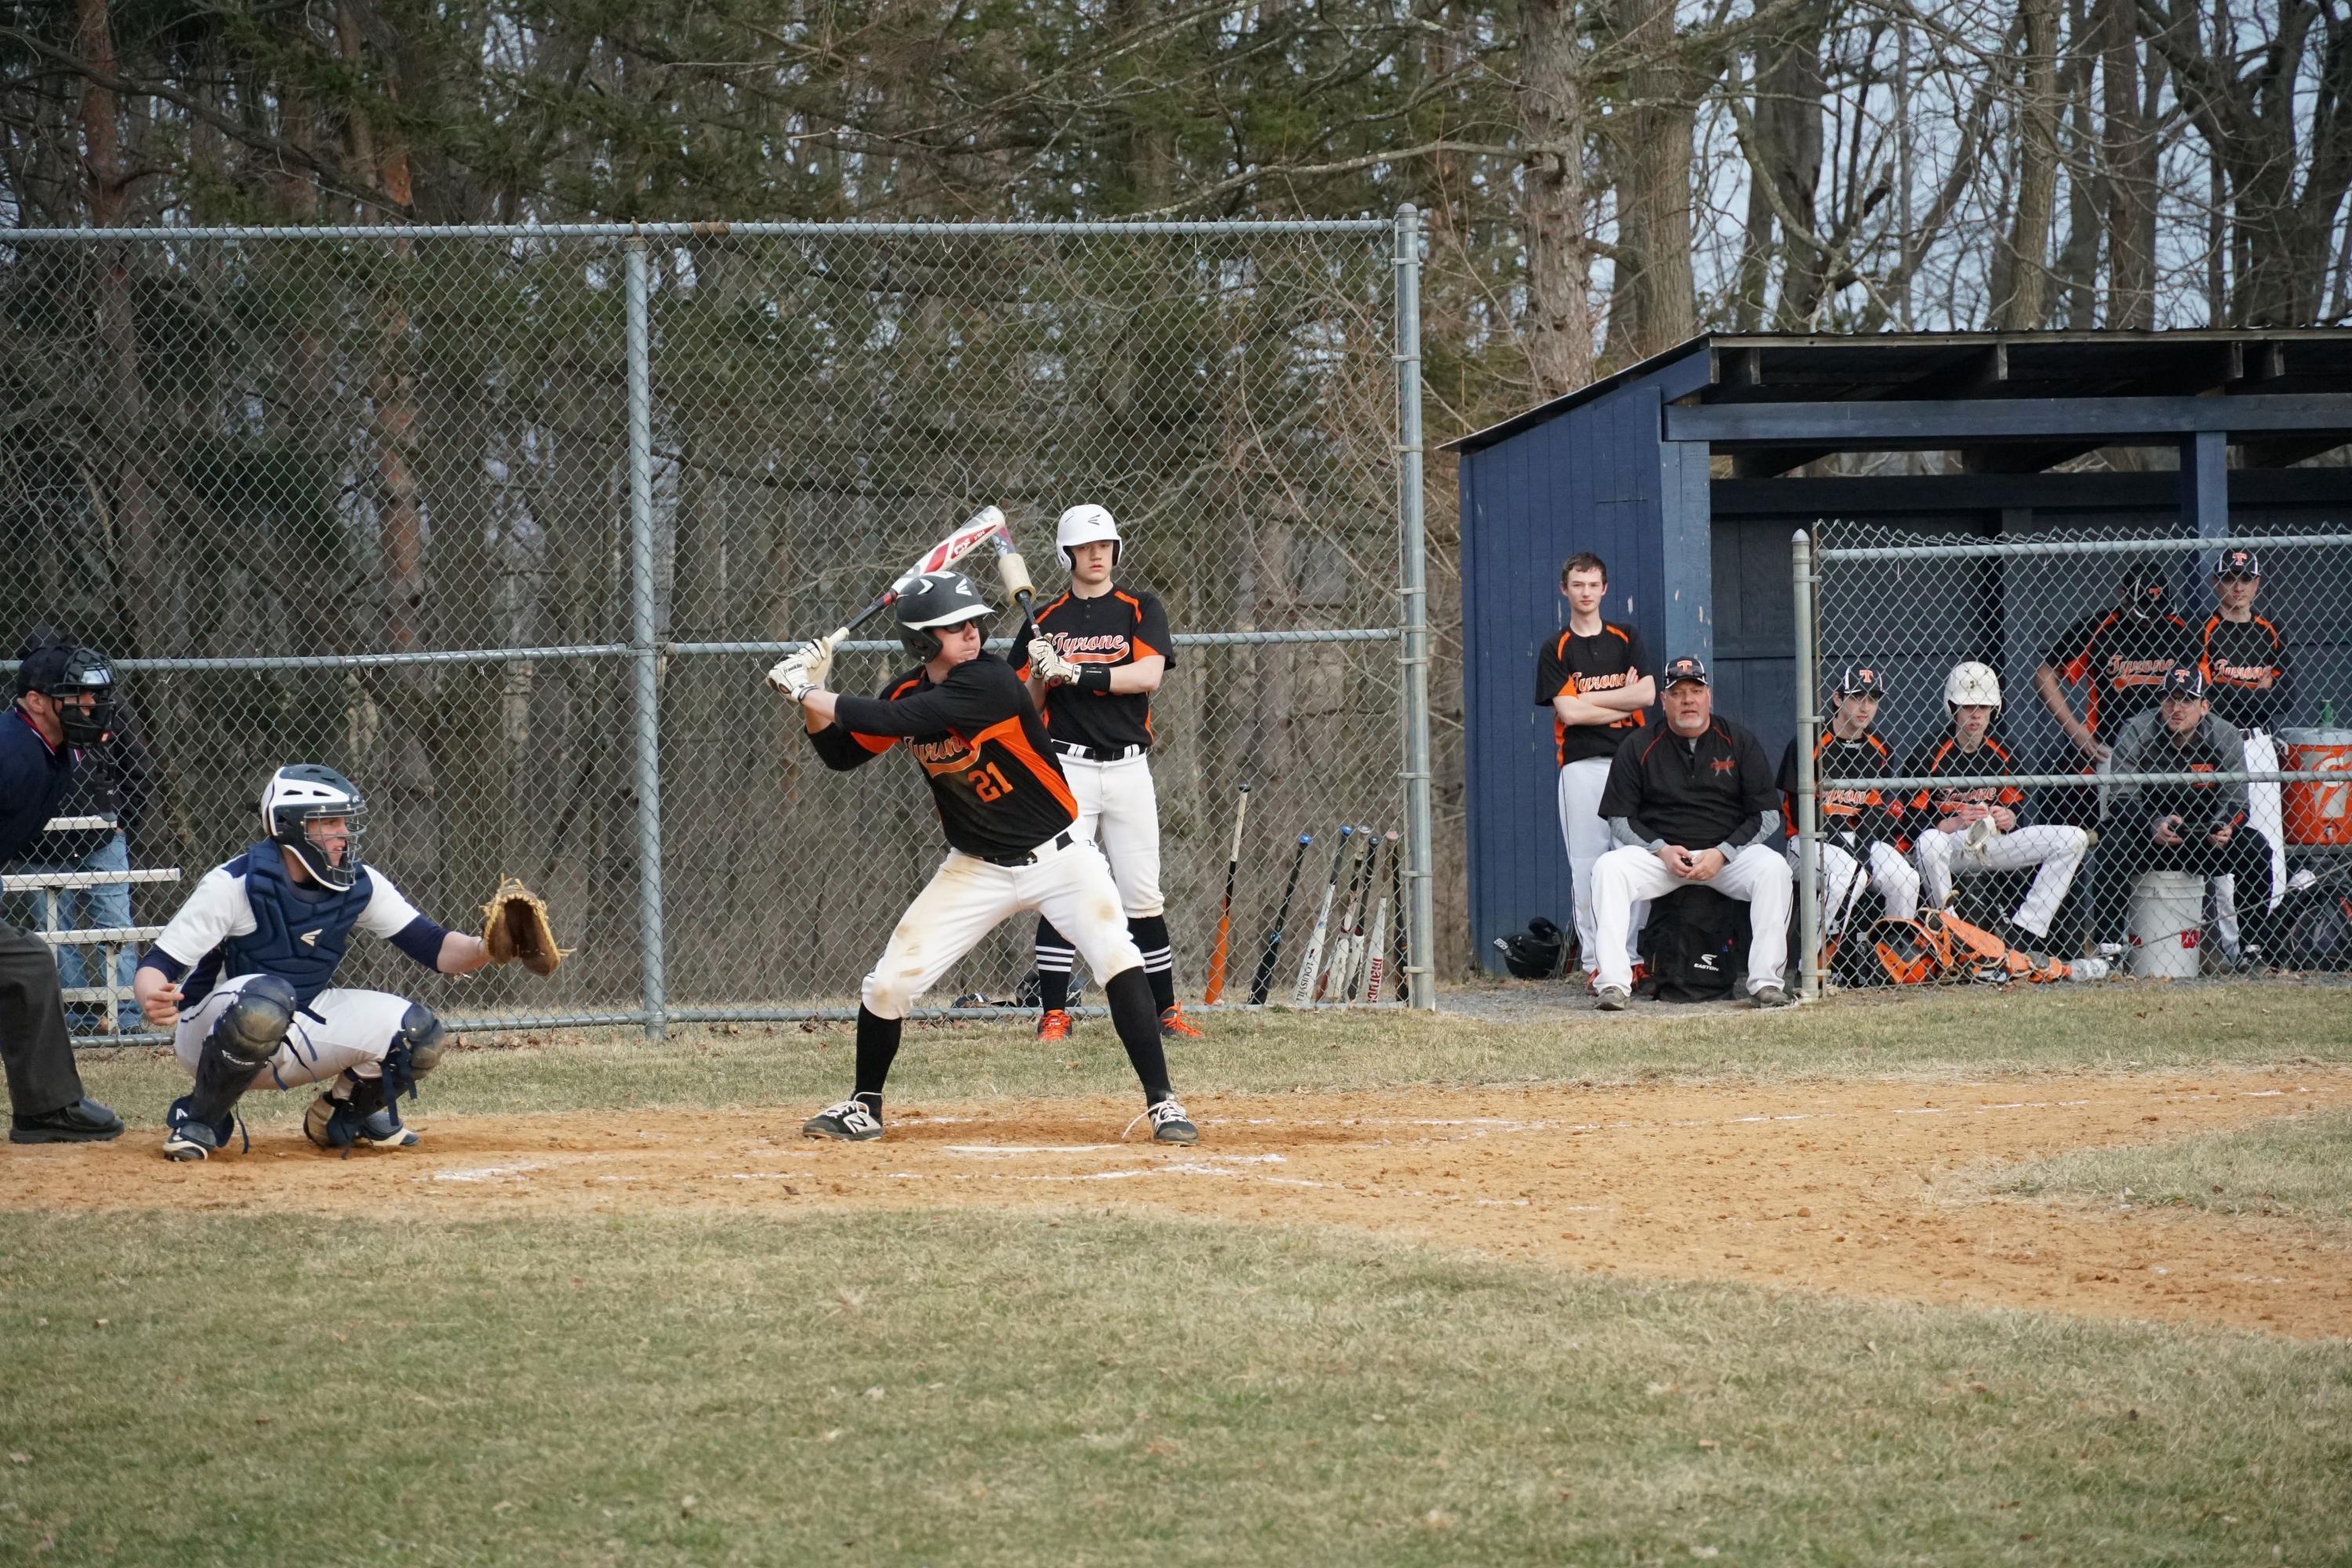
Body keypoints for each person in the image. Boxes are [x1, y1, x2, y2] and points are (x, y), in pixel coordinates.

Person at [767, 568, 1196, 1145]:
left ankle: (1163, 1103)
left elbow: (898, 721)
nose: (972, 633)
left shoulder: (991, 681)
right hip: (976, 867)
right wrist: (814, 700)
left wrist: (804, 689)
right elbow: (842, 753)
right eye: (953, 627)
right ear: (922, 643)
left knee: (1118, 958)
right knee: (889, 985)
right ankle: (864, 1106)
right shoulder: (907, 690)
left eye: (973, 623)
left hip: (1062, 856)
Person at [130, 764, 496, 1161]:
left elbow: (435, 947)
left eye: (346, 822)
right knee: (267, 1000)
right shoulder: (234, 884)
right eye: (330, 822)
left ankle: (341, 1117)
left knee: (417, 1034)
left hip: (295, 1018)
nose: (344, 833)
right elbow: (158, 962)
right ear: (289, 824)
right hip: (210, 1032)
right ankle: (198, 1118)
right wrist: (151, 993)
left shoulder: (359, 883)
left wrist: (489, 946)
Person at [1016, 503, 1200, 1042]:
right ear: (1067, 554)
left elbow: (1147, 676)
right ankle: (1055, 1013)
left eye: (1105, 546)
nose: (1096, 555)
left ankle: (1165, 1011)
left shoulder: (1140, 607)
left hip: (1128, 769)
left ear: (1116, 550)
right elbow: (1024, 707)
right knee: (1061, 889)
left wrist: (1076, 670)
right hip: (1067, 767)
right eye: (1085, 547)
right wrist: (1041, 674)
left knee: (1143, 895)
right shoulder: (1045, 621)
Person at [1588, 655, 1791, 1011]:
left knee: (1774, 869)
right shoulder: (1638, 745)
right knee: (1609, 868)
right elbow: (1619, 818)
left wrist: (1724, 852)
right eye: (1678, 693)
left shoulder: (1738, 741)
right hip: (1664, 859)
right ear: (1664, 701)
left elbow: (1767, 815)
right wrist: (1660, 849)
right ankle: (1614, 985)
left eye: (1695, 691)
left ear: (1708, 696)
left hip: (1724, 858)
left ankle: (1766, 983)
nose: (1688, 700)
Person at [0, 643, 126, 1142]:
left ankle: (45, 1108)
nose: (92, 707)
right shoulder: (11, 750)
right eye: (79, 696)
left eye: (96, 696)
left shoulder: (50, 753)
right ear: (36, 701)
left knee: (27, 963)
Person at [10, 627, 153, 1033]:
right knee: (54, 933)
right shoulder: (20, 718)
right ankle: (76, 1017)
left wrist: (124, 823)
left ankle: (124, 1017)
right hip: (38, 842)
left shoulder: (103, 708)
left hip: (99, 834)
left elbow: (137, 768)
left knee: (114, 925)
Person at [2092, 665, 2282, 964]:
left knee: (2255, 848)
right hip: (2151, 837)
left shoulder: (2226, 734)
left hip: (2205, 839)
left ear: (2204, 706)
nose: (2176, 708)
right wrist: (2152, 825)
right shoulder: (2136, 729)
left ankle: (2252, 949)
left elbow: (2237, 801)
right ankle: (2109, 950)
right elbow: (2120, 797)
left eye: (2187, 700)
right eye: (2169, 699)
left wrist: (2224, 827)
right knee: (2112, 845)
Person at [1908, 662, 2090, 963]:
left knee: (2073, 837)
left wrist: (2009, 817)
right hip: (1949, 847)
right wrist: (1952, 822)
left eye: (1983, 706)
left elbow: (2015, 807)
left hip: (1991, 845)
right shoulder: (1929, 752)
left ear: (1994, 709)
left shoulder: (2004, 750)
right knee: (1929, 841)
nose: (1976, 715)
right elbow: (1912, 823)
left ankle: (2025, 930)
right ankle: (1950, 928)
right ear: (1952, 707)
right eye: (1967, 707)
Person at [1534, 551, 1655, 990]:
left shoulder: (1627, 637)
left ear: (1605, 589)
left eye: (1593, 585)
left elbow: (1645, 695)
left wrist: (1591, 705)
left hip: (1631, 766)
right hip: (1581, 768)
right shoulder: (1557, 648)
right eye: (1577, 585)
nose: (1586, 592)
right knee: (1586, 864)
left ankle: (1629, 956)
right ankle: (1595, 962)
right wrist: (1613, 701)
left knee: (1635, 858)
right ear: (1565, 590)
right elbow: (1568, 712)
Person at [2031, 565, 2190, 826]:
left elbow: (2202, 686)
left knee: (2175, 828)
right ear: (2124, 596)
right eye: (2143, 612)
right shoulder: (2099, 628)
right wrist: (2075, 730)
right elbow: (2045, 675)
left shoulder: (2180, 629)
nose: (2150, 620)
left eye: (2157, 611)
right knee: (2121, 830)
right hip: (2114, 748)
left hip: (2173, 749)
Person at [1778, 662, 1919, 937]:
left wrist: (1862, 854)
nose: (1865, 707)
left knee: (1907, 878)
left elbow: (1875, 811)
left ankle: (1891, 958)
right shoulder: (1809, 742)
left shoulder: (1880, 747)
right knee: (1848, 875)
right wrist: (1851, 855)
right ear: (1837, 698)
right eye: (1856, 697)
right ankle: (1816, 961)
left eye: (1872, 699)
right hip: (1808, 840)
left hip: (1859, 838)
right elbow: (1799, 813)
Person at [2194, 546, 2291, 946]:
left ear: (2257, 584)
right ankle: (2235, 948)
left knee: (2272, 842)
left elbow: (2287, 696)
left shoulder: (2271, 630)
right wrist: (2257, 689)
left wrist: (2237, 692)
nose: (2238, 586)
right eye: (2230, 578)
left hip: (2260, 742)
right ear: (2217, 583)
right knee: (2231, 837)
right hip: (2219, 743)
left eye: (2246, 579)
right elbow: (2206, 697)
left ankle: (2263, 943)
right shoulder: (2205, 629)